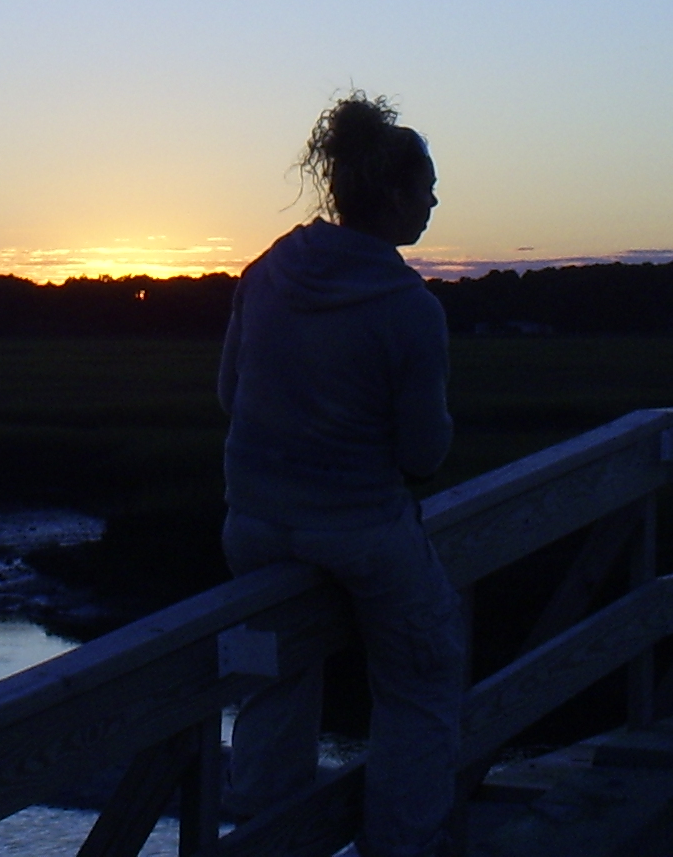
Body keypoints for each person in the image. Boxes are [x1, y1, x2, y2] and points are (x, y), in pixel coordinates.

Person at [218, 93, 465, 857]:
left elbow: (230, 395)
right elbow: (424, 456)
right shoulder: (408, 307)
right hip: (362, 532)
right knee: (422, 682)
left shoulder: (267, 271)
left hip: (256, 528)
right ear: (392, 196)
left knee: (271, 689)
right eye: (425, 188)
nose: (433, 201)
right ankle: (400, 847)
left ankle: (265, 842)